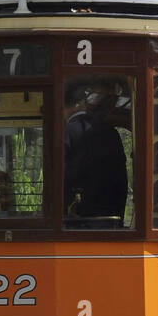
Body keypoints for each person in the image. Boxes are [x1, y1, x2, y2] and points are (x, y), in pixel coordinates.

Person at [63, 79, 129, 226]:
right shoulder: (111, 133)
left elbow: (64, 177)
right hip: (110, 219)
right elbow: (121, 181)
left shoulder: (67, 132)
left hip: (79, 222)